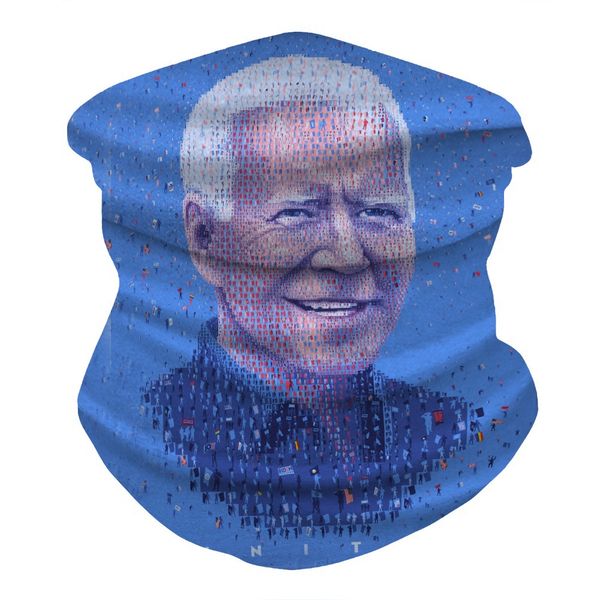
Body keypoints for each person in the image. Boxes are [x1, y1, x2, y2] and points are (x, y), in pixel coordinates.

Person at [142, 55, 467, 532]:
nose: (347, 255)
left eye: (379, 212)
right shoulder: (147, 431)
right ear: (205, 239)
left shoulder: (452, 433)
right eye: (295, 213)